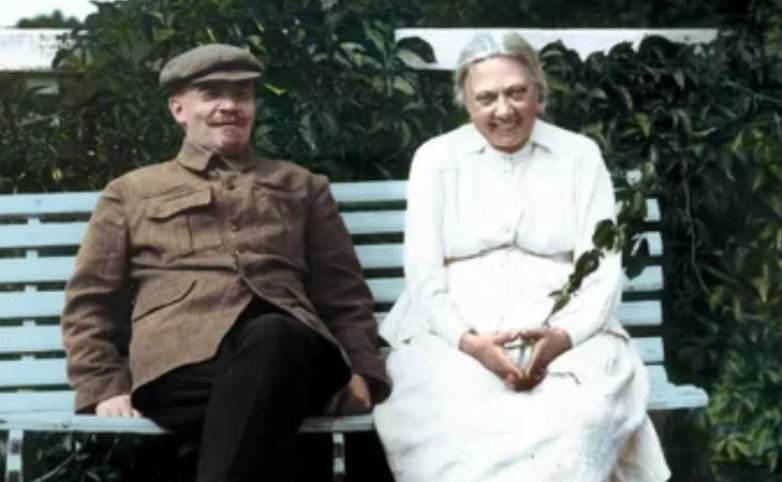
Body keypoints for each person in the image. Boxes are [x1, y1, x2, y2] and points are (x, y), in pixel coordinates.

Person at [61, 43, 390, 482]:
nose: (230, 105)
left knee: (275, 338)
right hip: (180, 366)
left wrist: (363, 372)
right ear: (179, 109)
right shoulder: (131, 191)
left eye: (242, 94)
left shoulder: (302, 185)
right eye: (212, 93)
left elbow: (343, 295)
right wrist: (103, 385)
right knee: (266, 394)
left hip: (293, 350)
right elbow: (91, 302)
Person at [373, 32, 671, 482]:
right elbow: (423, 275)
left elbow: (603, 271)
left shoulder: (579, 155)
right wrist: (470, 343)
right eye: (486, 98)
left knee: (579, 412)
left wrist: (562, 339)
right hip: (454, 331)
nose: (503, 110)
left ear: (539, 94)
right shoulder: (435, 159)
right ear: (466, 103)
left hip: (564, 326)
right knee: (453, 413)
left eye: (516, 92)